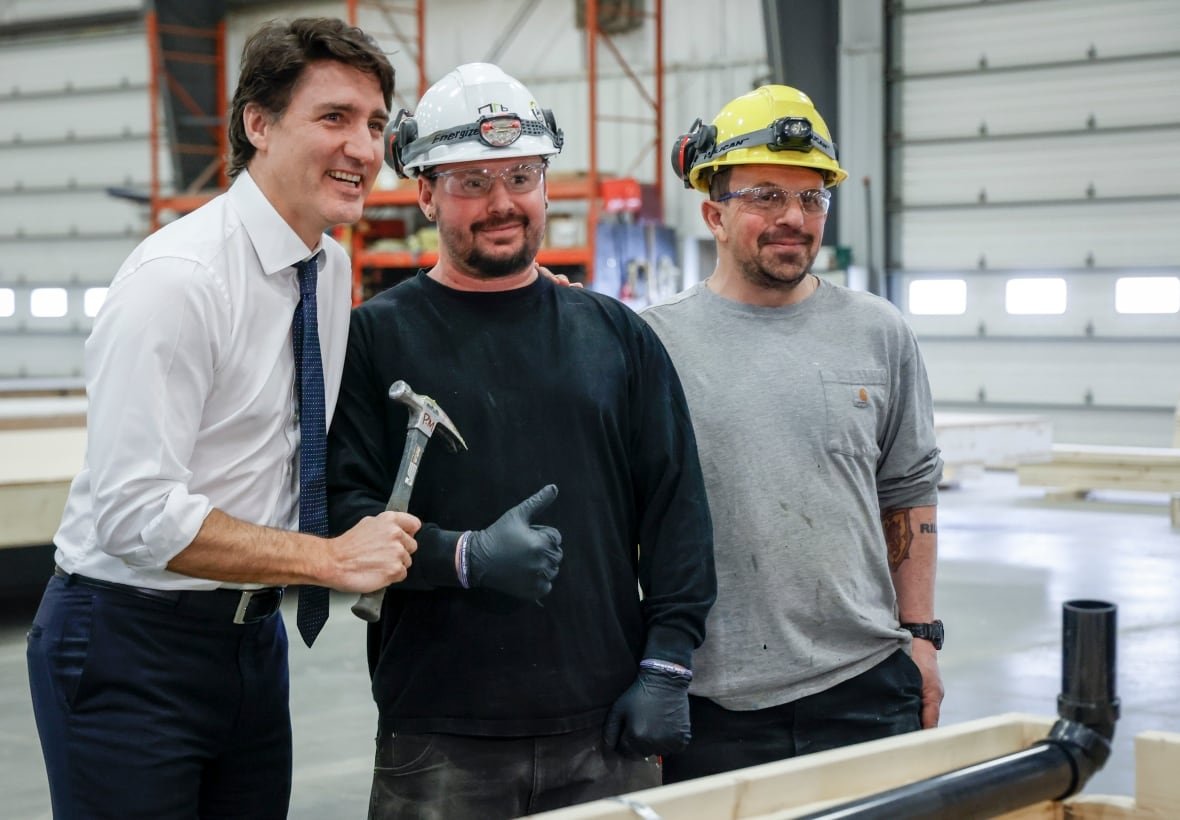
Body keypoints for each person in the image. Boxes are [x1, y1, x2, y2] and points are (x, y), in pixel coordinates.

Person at [25, 18, 421, 819]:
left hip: (248, 637)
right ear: (258, 124)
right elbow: (137, 513)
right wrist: (326, 559)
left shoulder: (329, 266)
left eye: (376, 124)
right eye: (335, 117)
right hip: (128, 637)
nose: (363, 147)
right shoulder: (181, 280)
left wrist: (524, 292)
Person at [326, 62, 717, 819]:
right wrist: (460, 557)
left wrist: (668, 660)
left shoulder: (616, 336)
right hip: (438, 728)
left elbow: (677, 510)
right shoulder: (373, 339)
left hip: (603, 722)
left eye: (522, 175)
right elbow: (342, 508)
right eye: (472, 181)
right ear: (426, 192)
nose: (502, 202)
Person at [642, 84, 945, 782]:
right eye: (767, 196)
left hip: (866, 681)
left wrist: (922, 638)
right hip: (712, 696)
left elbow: (910, 492)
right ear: (714, 212)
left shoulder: (880, 332)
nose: (795, 219)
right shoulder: (653, 343)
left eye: (812, 199)